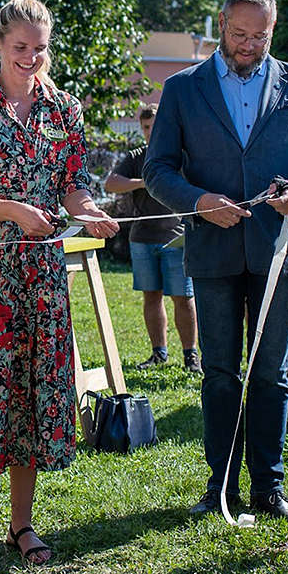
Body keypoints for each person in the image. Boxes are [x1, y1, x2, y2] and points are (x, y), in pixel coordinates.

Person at [144, 0, 288, 521]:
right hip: (212, 254)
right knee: (219, 374)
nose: (247, 45)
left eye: (259, 36)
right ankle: (220, 488)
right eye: (238, 34)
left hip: (278, 252)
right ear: (221, 23)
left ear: (272, 30)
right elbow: (157, 170)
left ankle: (267, 488)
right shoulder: (183, 88)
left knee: (271, 374)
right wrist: (197, 200)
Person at [0, 0, 119, 564]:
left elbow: (73, 182)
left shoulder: (65, 110)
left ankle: (21, 523)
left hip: (40, 276)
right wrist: (17, 211)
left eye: (39, 49)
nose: (30, 58)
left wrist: (87, 209)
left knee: (31, 388)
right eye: (20, 48)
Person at [104, 103, 201, 373]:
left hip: (176, 237)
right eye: (146, 127)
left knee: (183, 298)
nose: (150, 132)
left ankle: (190, 356)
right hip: (142, 238)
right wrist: (143, 182)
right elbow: (110, 183)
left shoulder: (182, 157)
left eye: (155, 126)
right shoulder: (137, 156)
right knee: (151, 297)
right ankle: (159, 353)